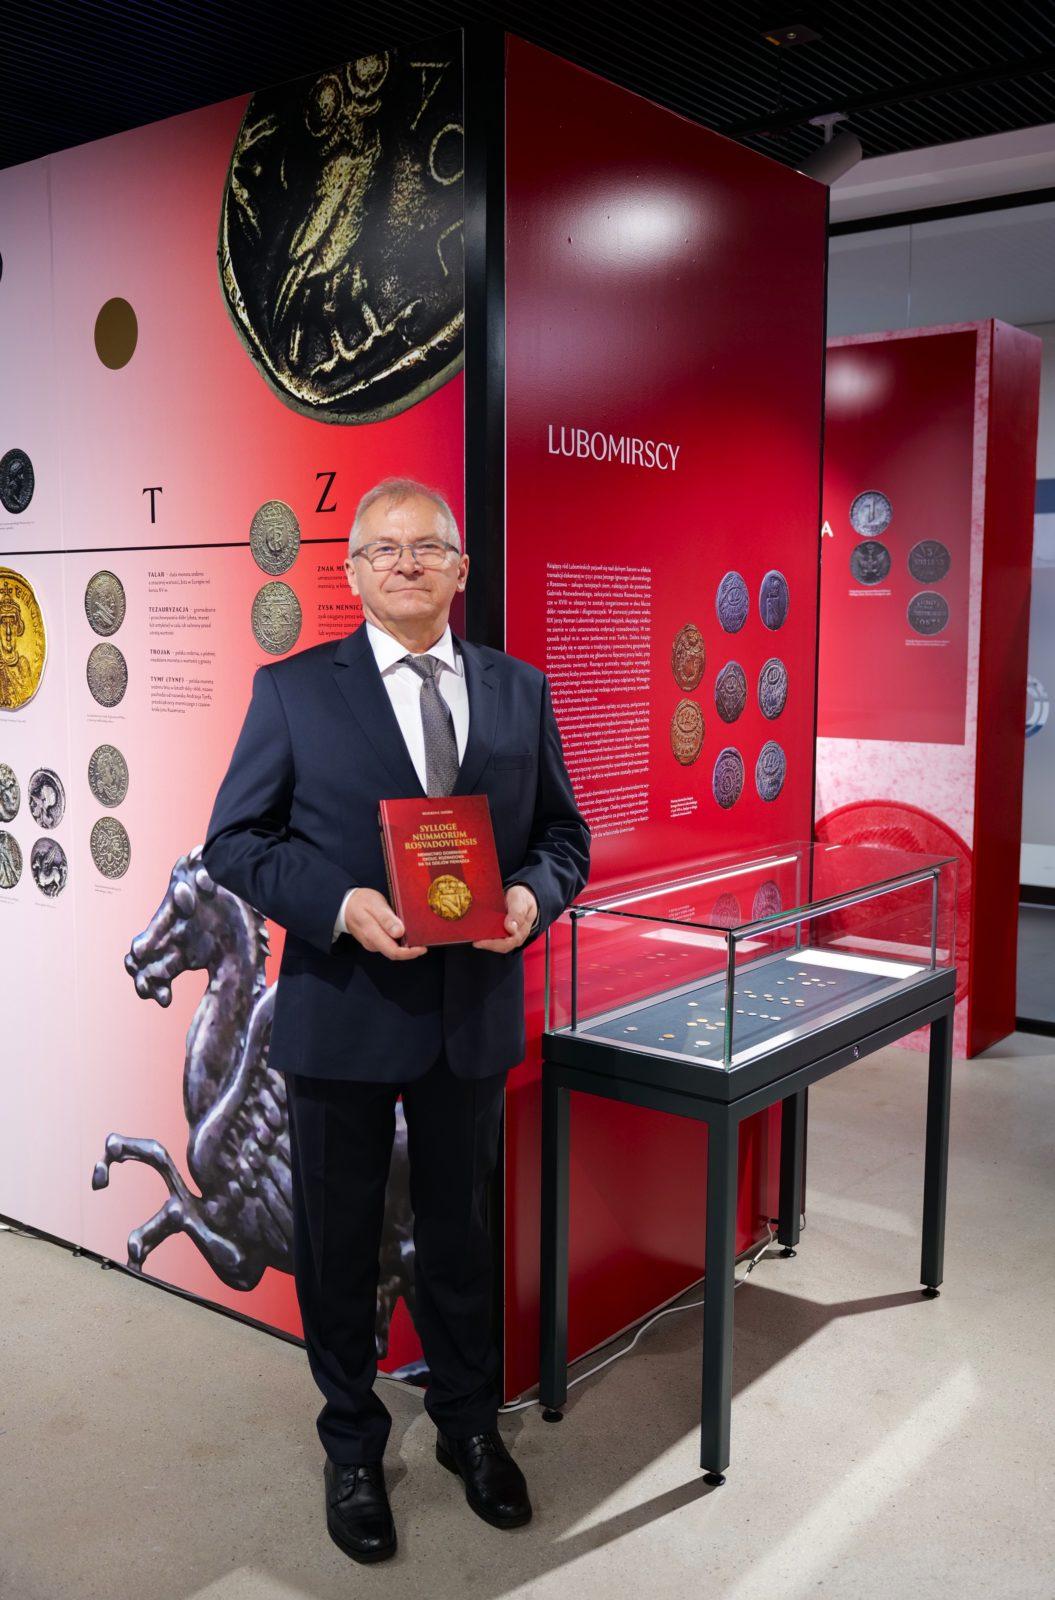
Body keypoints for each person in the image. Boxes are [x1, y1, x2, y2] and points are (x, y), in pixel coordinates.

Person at [201, 476, 590, 1563]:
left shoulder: (518, 691)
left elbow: (563, 837)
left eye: (427, 547)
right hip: (343, 1009)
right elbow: (234, 841)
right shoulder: (293, 691)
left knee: (462, 1235)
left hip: (471, 1013)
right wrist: (338, 905)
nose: (407, 562)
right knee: (338, 1241)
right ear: (354, 572)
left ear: (461, 567)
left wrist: (531, 898)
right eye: (384, 548)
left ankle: (469, 1424)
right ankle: (351, 1443)